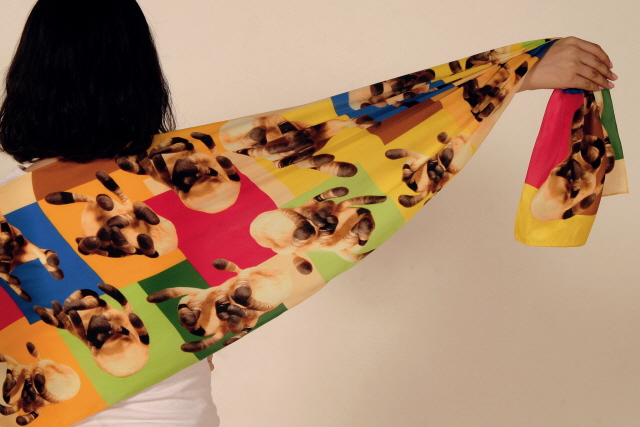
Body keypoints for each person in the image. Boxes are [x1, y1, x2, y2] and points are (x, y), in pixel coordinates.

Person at [0, 1, 617, 426]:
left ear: (29, 77)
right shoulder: (184, 178)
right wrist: (514, 74)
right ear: (139, 74)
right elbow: (357, 132)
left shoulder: (10, 209)